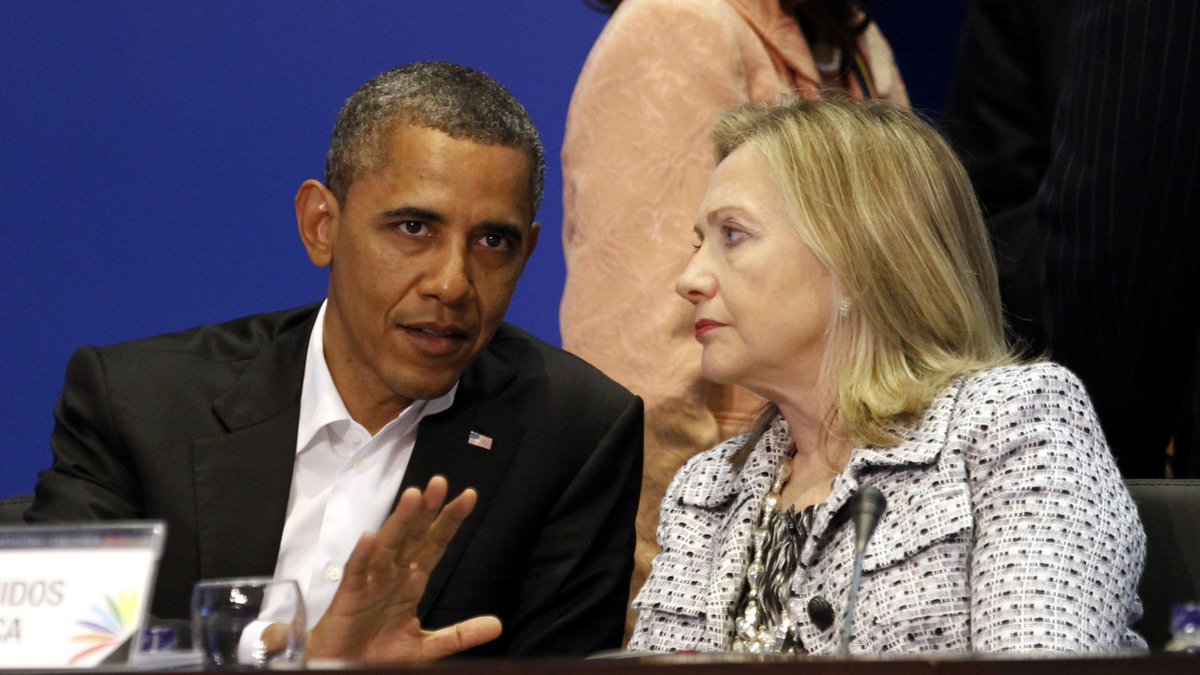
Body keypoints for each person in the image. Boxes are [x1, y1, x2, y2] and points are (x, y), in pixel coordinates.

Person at [26, 62, 643, 661]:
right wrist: (292, 655)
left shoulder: (572, 434)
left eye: (492, 241)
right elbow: (56, 639)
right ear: (321, 224)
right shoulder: (141, 403)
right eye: (413, 228)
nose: (453, 284)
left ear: (527, 252)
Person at [629, 96, 1145, 653]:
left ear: (857, 258)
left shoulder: (1013, 424)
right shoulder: (708, 489)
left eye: (732, 233)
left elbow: (1039, 663)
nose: (690, 278)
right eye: (699, 243)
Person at [560, 0, 908, 628]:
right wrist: (673, 599)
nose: (697, 272)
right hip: (727, 555)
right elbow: (643, 374)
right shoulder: (675, 25)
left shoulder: (855, 38)